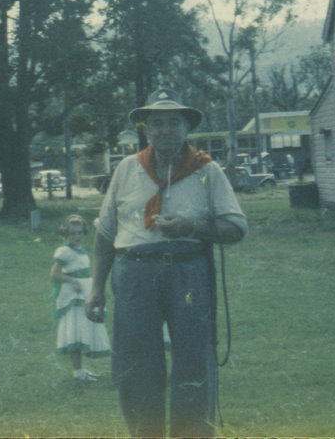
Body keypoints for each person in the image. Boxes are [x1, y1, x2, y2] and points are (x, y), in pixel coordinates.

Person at [86, 88, 248, 438]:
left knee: (193, 361)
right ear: (146, 130)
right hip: (134, 273)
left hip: (188, 271)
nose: (165, 130)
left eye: (173, 123)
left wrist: (191, 226)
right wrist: (96, 288)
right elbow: (104, 234)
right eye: (156, 123)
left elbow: (236, 227)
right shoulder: (127, 169)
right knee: (135, 363)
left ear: (186, 128)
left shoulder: (208, 170)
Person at [51, 214, 110, 381]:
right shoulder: (65, 252)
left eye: (79, 233)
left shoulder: (82, 250)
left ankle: (81, 370)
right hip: (73, 297)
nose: (76, 237)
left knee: (82, 329)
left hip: (85, 293)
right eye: (72, 234)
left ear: (84, 233)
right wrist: (73, 280)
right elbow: (54, 273)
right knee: (74, 331)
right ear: (65, 234)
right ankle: (77, 372)